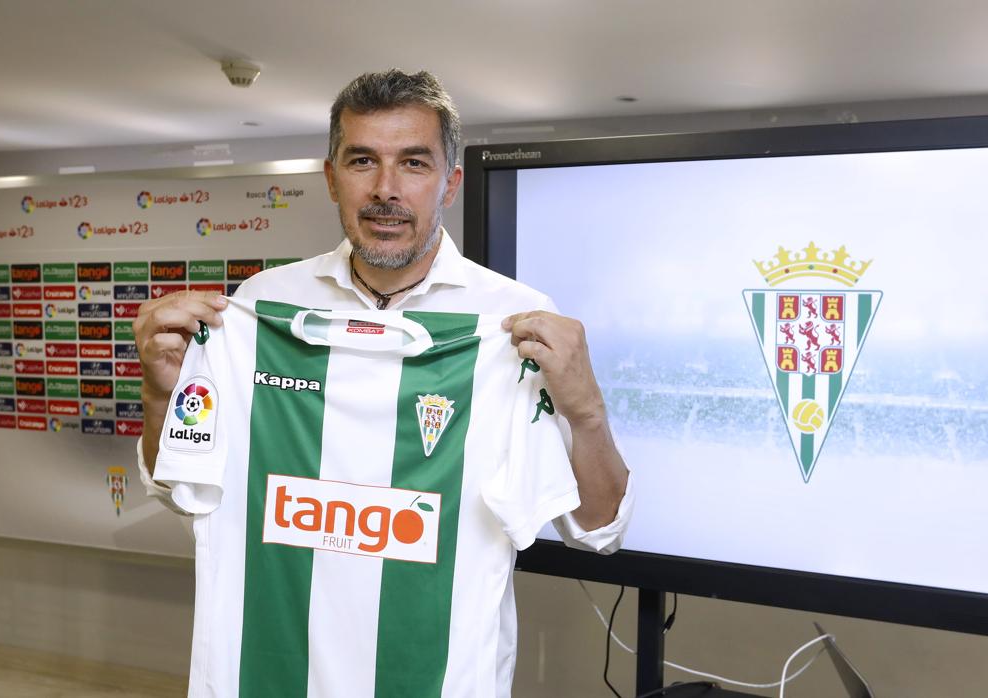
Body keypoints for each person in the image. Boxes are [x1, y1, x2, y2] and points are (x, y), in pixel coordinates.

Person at [133, 69, 631, 695]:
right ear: (331, 177)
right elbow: (182, 489)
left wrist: (587, 413)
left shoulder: (511, 323)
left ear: (450, 182)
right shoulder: (259, 307)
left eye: (414, 163)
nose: (385, 189)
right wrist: (161, 396)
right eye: (362, 160)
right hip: (273, 674)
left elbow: (599, 529)